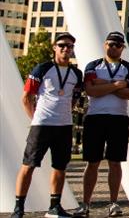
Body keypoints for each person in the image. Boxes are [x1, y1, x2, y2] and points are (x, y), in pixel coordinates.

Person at [12, 33, 82, 218]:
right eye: (62, 45)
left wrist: (66, 113)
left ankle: (54, 207)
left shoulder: (76, 73)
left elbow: (74, 98)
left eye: (69, 46)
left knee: (60, 167)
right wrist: (35, 119)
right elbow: (26, 97)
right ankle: (18, 208)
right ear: (54, 47)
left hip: (65, 126)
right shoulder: (42, 68)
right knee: (28, 165)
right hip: (42, 124)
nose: (66, 49)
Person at [76, 32, 129, 217]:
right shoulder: (93, 65)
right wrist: (117, 84)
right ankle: (85, 204)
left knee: (115, 162)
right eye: (111, 44)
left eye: (118, 45)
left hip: (118, 118)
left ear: (123, 48)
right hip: (95, 117)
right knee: (92, 162)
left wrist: (105, 85)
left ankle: (113, 203)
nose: (113, 47)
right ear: (105, 45)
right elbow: (91, 90)